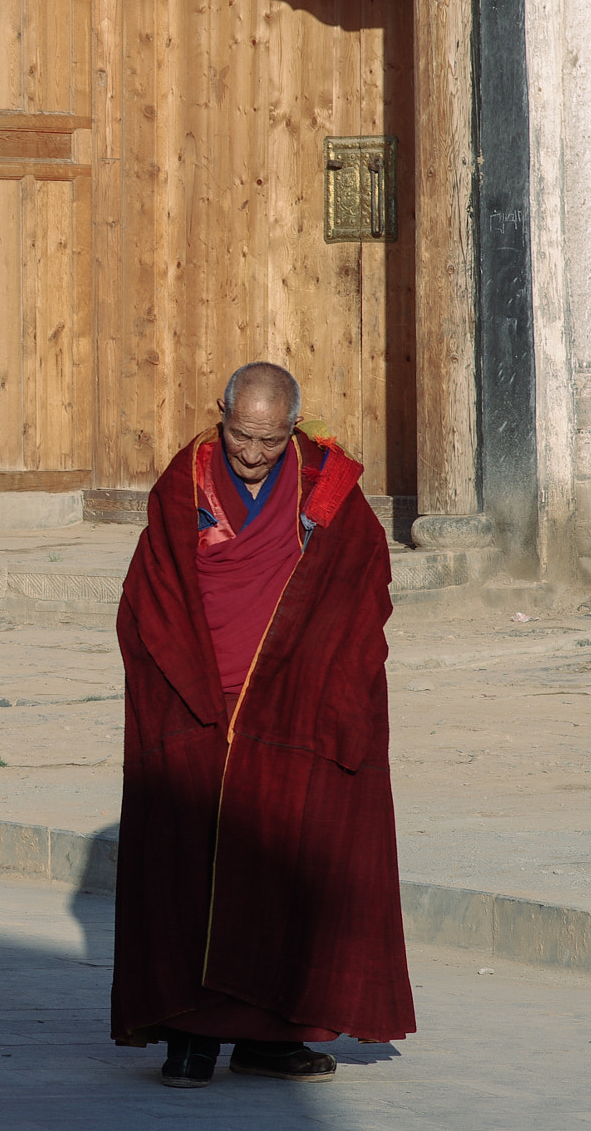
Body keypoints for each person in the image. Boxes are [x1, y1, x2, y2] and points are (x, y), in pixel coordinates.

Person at [112, 361, 414, 1087]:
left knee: (286, 869)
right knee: (189, 867)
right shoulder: (182, 487)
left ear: (293, 428)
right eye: (241, 436)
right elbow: (147, 599)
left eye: (270, 441)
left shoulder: (328, 489)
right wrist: (179, 687)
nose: (252, 454)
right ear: (221, 416)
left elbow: (360, 588)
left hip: (290, 708)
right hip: (198, 704)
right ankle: (189, 1034)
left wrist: (322, 679)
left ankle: (273, 1034)